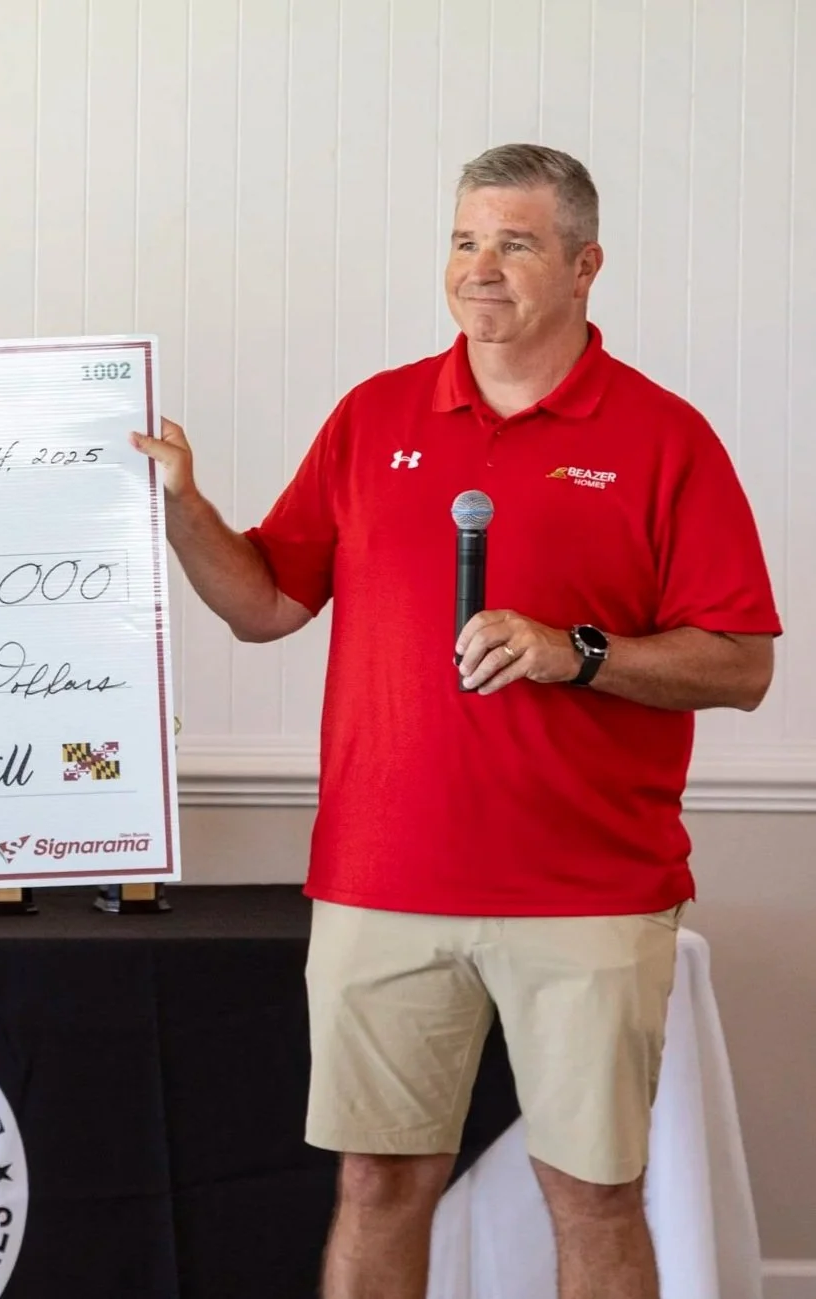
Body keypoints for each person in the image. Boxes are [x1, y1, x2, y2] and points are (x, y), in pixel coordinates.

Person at [133, 143, 778, 1299]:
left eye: (514, 242)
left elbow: (737, 666)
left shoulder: (660, 436)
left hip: (587, 889)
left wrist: (572, 653)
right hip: (382, 879)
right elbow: (266, 605)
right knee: (377, 1187)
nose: (479, 269)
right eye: (463, 239)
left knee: (590, 1198)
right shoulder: (373, 416)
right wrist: (184, 513)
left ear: (585, 266)